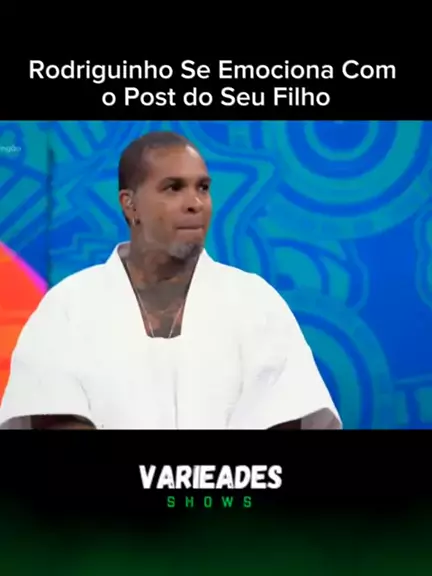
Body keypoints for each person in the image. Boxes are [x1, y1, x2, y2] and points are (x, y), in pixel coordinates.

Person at [0, 131, 342, 430]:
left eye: (203, 188)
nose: (195, 203)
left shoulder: (256, 303)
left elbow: (286, 415)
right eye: (173, 188)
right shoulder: (68, 307)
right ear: (130, 205)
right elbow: (52, 415)